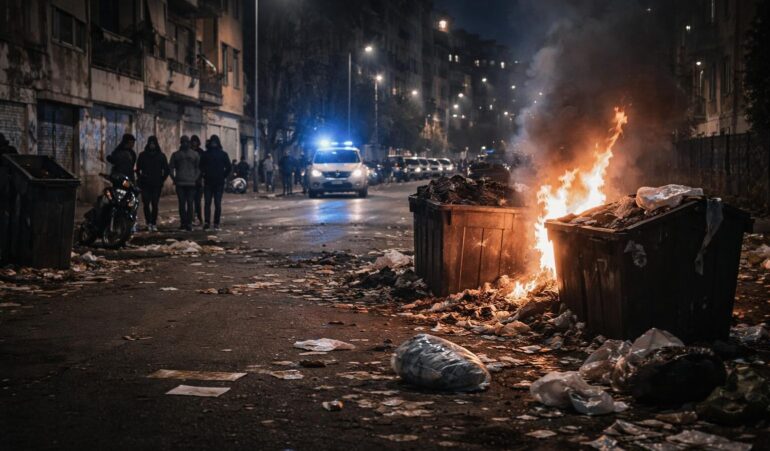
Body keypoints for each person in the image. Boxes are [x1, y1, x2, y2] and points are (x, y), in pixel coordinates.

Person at [135, 136, 169, 232]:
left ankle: (153, 223)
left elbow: (166, 170)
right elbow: (138, 169)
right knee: (146, 203)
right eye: (150, 143)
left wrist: (162, 180)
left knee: (154, 203)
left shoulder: (161, 156)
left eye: (153, 143)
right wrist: (140, 178)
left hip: (156, 184)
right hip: (145, 184)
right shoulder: (142, 155)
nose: (152, 145)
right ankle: (148, 222)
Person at [200, 135, 231, 230]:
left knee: (215, 203)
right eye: (212, 142)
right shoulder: (209, 154)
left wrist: (223, 176)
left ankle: (214, 222)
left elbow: (229, 167)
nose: (213, 143)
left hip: (216, 182)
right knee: (209, 203)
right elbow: (201, 166)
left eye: (214, 141)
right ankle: (208, 222)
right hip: (211, 182)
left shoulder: (221, 154)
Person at [168, 136, 200, 231]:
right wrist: (195, 178)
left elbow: (170, 168)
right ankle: (187, 223)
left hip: (183, 183)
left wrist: (174, 178)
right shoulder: (194, 154)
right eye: (184, 142)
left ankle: (185, 223)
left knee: (185, 203)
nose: (185, 144)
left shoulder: (176, 154)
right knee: (187, 203)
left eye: (186, 142)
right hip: (186, 183)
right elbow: (199, 169)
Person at [190, 135, 204, 226]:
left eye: (196, 141)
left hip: (199, 180)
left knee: (198, 201)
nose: (194, 143)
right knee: (191, 201)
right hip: (190, 179)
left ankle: (199, 217)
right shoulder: (189, 152)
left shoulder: (201, 152)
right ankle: (192, 218)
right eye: (193, 141)